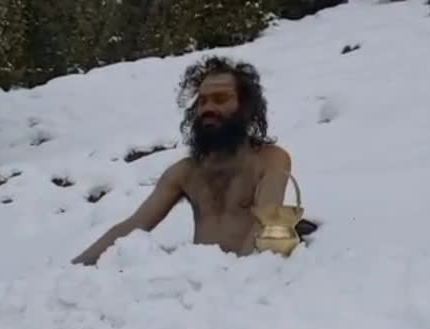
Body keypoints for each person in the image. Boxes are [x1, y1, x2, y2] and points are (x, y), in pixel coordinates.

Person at [71, 55, 315, 266]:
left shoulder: (270, 159)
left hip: (245, 286)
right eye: (203, 101)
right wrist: (73, 270)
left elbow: (267, 228)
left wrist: (237, 286)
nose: (208, 108)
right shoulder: (184, 172)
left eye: (221, 99)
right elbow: (132, 227)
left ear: (246, 108)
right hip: (201, 286)